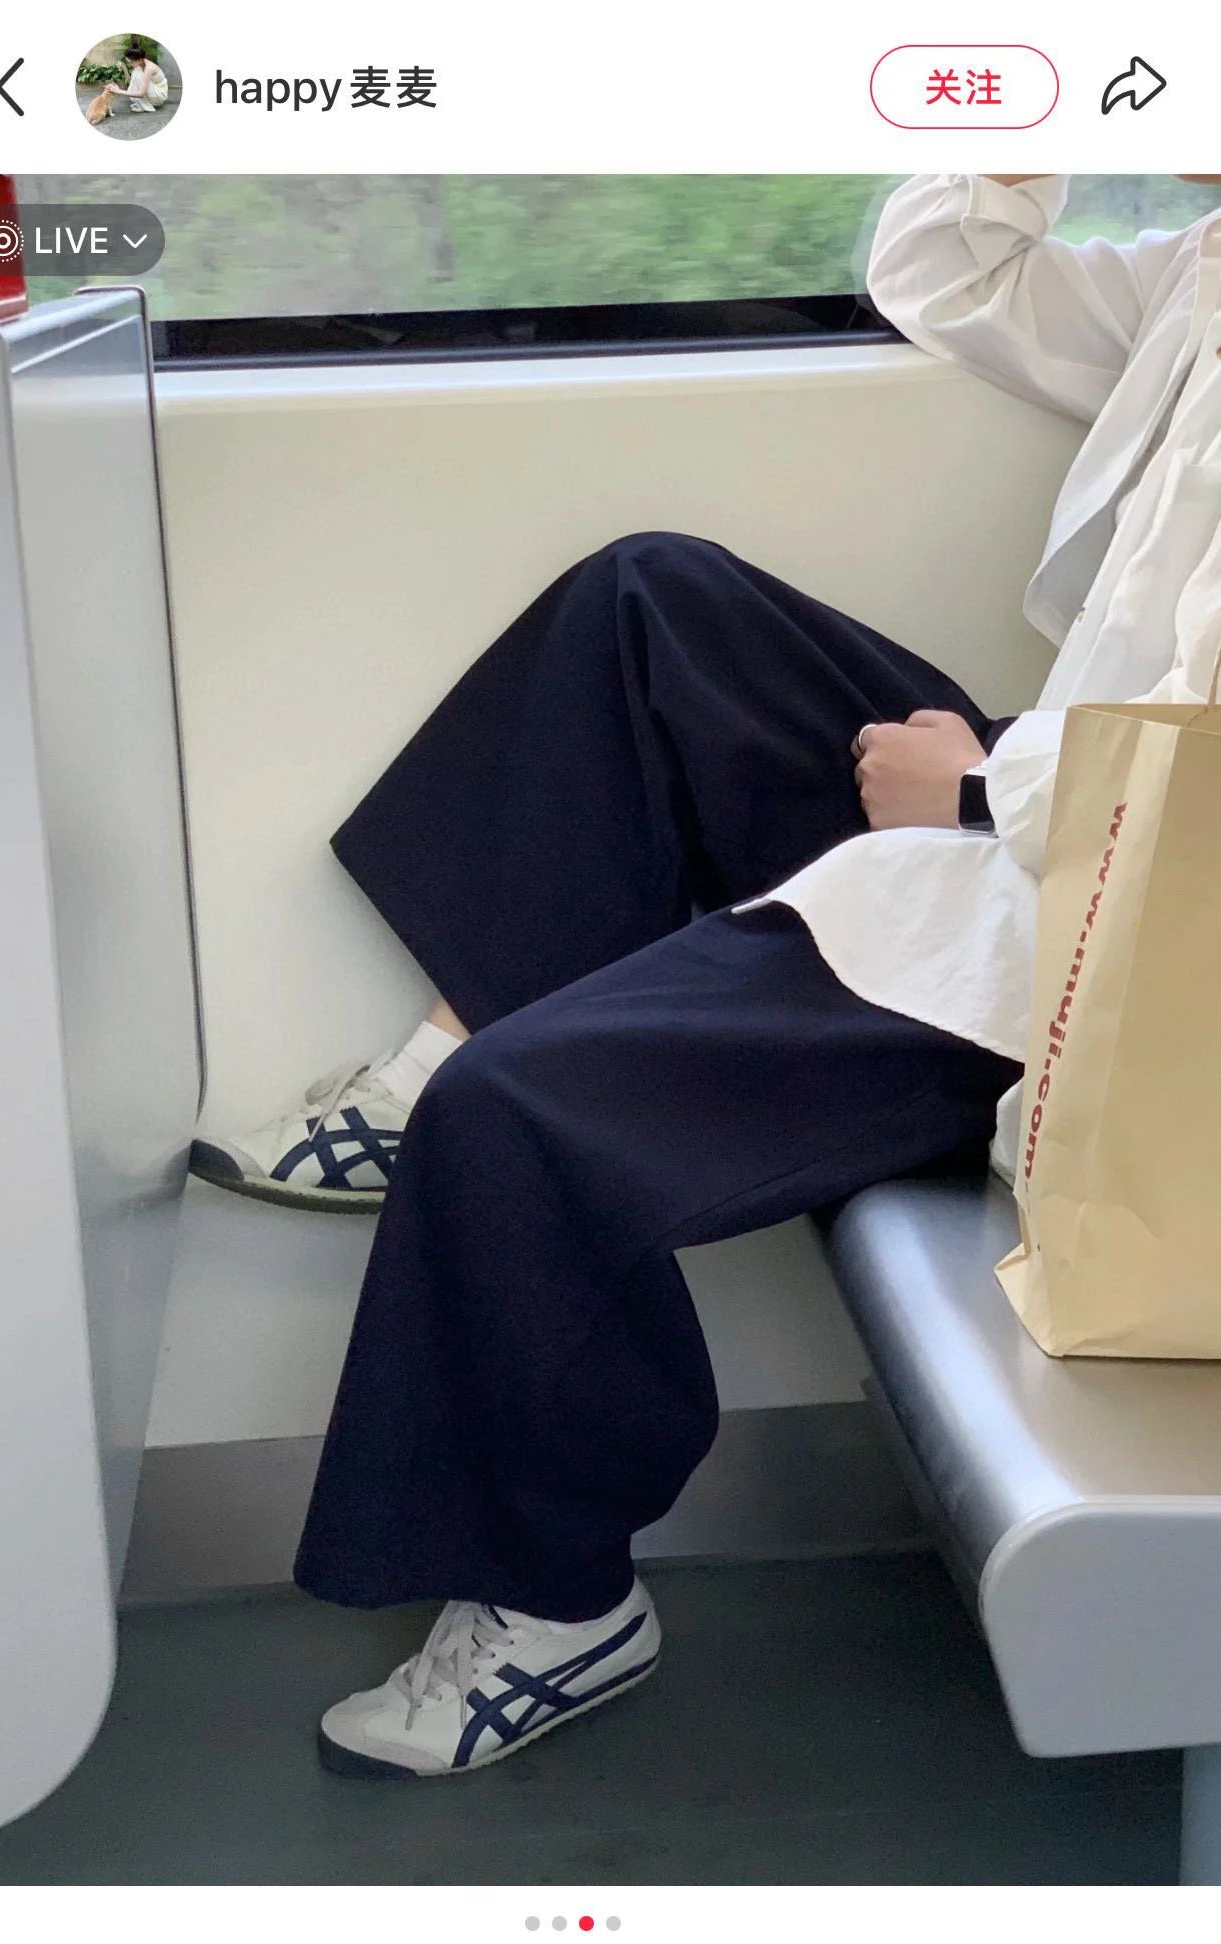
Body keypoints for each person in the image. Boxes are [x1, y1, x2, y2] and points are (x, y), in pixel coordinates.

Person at [190, 174, 1221, 1778]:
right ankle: (441, 1052)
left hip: (1125, 955)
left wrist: (979, 791)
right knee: (649, 598)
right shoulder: (1203, 270)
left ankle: (559, 1608)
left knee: (515, 1117)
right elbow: (950, 271)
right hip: (1051, 818)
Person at [101, 44, 169, 114]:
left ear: (139, 59)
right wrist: (124, 69)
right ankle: (142, 103)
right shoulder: (141, 64)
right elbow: (133, 84)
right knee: (136, 72)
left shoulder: (149, 68)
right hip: (153, 91)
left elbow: (141, 94)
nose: (130, 64)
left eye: (131, 62)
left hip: (159, 95)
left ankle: (145, 106)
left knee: (137, 73)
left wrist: (118, 91)